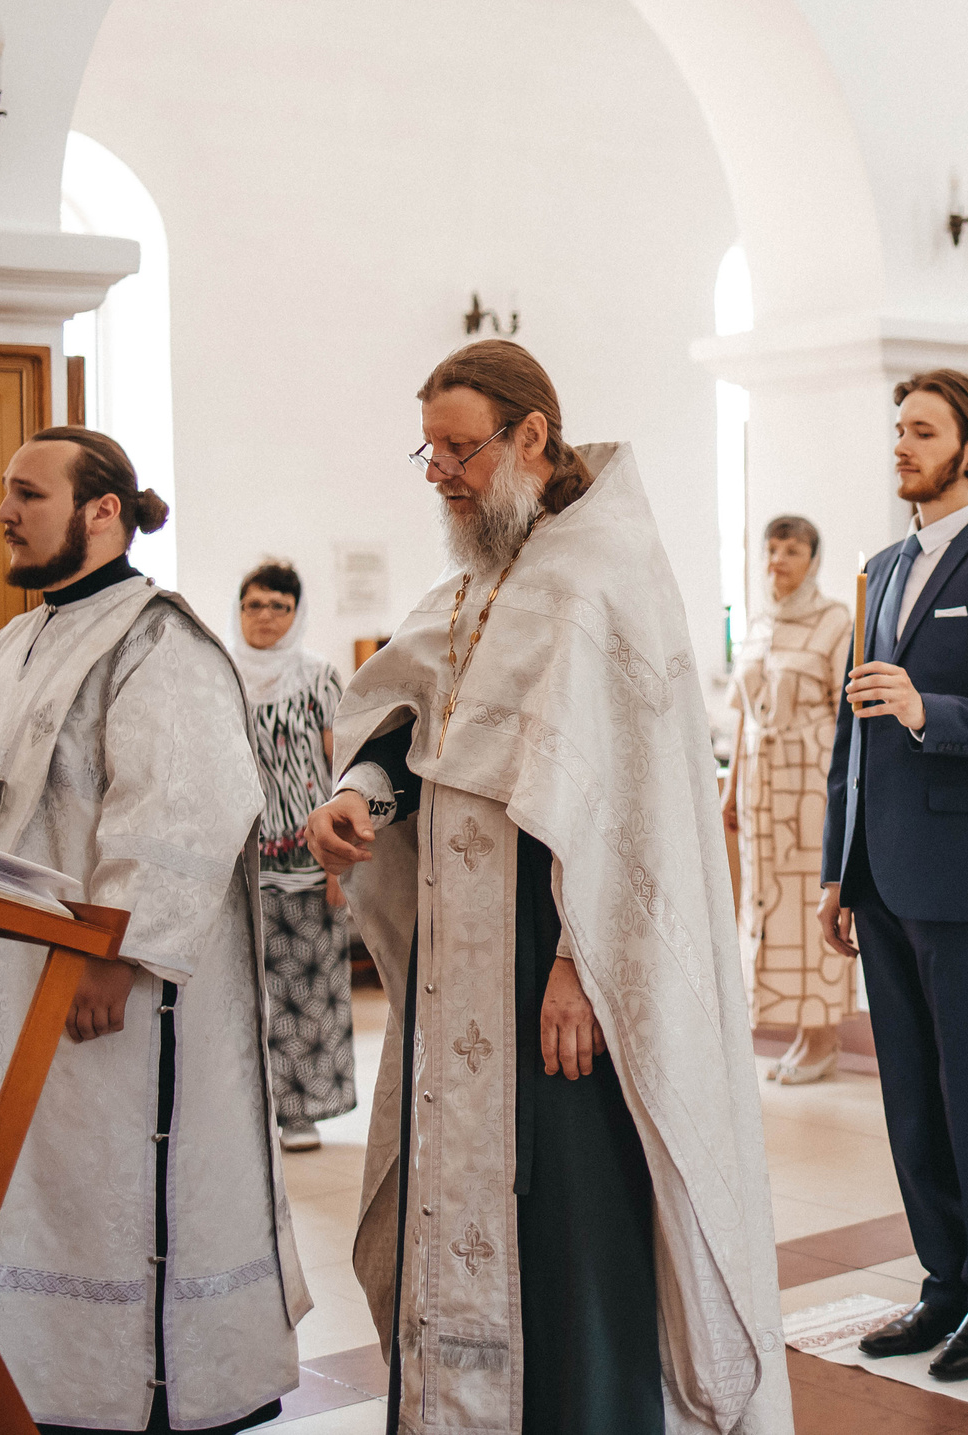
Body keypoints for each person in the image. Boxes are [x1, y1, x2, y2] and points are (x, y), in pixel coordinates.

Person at [303, 342, 789, 1435]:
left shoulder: (601, 575)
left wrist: (582, 962)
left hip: (558, 960)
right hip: (462, 957)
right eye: (427, 452)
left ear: (531, 436)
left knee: (570, 1218)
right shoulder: (477, 581)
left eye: (460, 450)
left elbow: (629, 805)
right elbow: (409, 723)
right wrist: (362, 796)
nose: (441, 475)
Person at [0, 427, 306, 1435]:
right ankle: (31, 1387)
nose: (3, 511)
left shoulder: (156, 643)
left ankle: (131, 1399)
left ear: (101, 511)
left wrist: (112, 956)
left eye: (26, 493)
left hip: (105, 996)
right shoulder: (14, 644)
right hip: (5, 978)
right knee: (26, 1193)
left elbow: (181, 813)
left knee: (108, 1198)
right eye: (5, 492)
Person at [818, 369, 968, 1383]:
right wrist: (837, 868)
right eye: (897, 430)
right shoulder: (876, 568)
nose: (901, 445)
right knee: (909, 1096)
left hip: (959, 867)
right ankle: (943, 1285)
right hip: (876, 870)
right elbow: (850, 730)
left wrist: (930, 711)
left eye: (922, 431)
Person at [721, 513, 854, 1084]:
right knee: (768, 904)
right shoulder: (757, 623)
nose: (779, 561)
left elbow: (847, 713)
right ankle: (799, 1035)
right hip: (758, 786)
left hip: (809, 784)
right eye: (772, 550)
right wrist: (730, 786)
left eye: (792, 551)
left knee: (810, 906)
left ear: (814, 560)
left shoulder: (835, 621)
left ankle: (823, 1039)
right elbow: (743, 718)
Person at [230, 558, 354, 1153]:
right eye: (255, 604)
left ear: (296, 614)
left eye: (280, 606)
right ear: (240, 610)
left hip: (309, 863)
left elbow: (342, 772)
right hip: (244, 865)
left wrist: (340, 864)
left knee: (308, 988)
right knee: (248, 989)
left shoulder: (319, 678)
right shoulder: (223, 677)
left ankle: (301, 1112)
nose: (266, 616)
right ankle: (249, 1113)